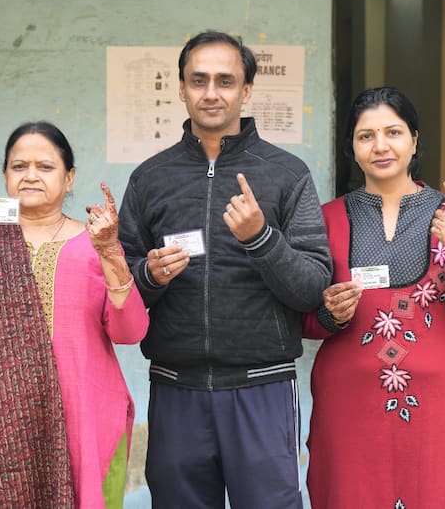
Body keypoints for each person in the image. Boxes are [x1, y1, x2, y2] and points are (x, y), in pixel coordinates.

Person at [118, 31, 332, 508]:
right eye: (198, 80)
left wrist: (261, 238)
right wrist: (149, 275)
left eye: (225, 81)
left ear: (247, 91)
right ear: (181, 88)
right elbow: (119, 289)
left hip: (263, 386)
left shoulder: (286, 174)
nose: (211, 92)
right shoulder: (150, 178)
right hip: (177, 387)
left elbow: (313, 287)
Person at [0, 121, 149, 509]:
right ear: (5, 175)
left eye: (45, 167)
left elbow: (131, 332)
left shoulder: (95, 244)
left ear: (69, 177)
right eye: (18, 166)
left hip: (82, 416)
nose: (30, 176)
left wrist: (111, 252)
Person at [303, 86, 445, 508]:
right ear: (352, 148)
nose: (381, 146)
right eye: (366, 136)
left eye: (393, 132)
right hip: (350, 414)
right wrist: (327, 313)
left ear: (414, 140)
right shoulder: (325, 220)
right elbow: (301, 319)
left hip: (444, 416)